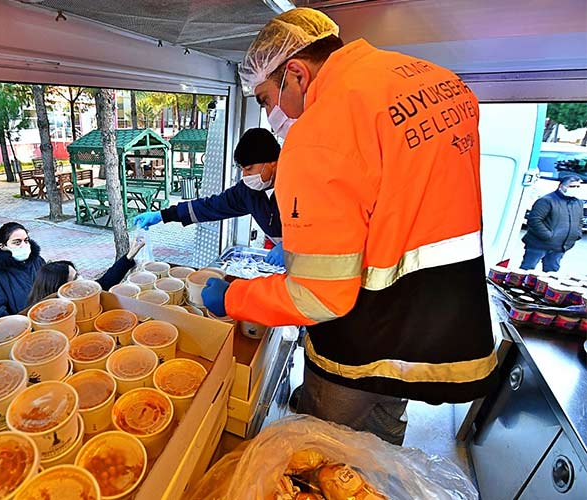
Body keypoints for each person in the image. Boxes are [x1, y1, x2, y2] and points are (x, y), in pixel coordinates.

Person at [201, 7, 496, 445]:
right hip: (429, 332)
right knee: (381, 444)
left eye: (265, 99)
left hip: (361, 341)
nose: (271, 115)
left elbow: (318, 295)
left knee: (325, 456)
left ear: (296, 74)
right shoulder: (437, 81)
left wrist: (234, 297)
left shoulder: (320, 131)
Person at [133, 128, 285, 265]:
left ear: (273, 162)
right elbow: (210, 206)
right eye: (242, 170)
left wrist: (290, 247)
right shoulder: (248, 192)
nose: (245, 176)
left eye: (249, 169)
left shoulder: (298, 187)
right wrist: (163, 215)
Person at [26, 237, 146, 306]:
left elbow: (105, 282)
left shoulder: (83, 293)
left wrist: (130, 255)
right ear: (60, 289)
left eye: (77, 274)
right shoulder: (49, 315)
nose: (81, 279)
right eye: (74, 278)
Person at [0, 223, 46, 324]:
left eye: (26, 240)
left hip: (46, 320)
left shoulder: (38, 261)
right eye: (17, 242)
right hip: (21, 331)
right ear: (3, 246)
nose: (24, 245)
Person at [520, 175, 584, 272]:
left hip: (560, 247)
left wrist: (576, 234)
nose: (575, 189)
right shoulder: (547, 200)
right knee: (527, 271)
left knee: (551, 275)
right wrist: (548, 236)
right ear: (561, 186)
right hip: (539, 245)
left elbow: (580, 220)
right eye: (572, 186)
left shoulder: (578, 202)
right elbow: (534, 220)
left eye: (577, 186)